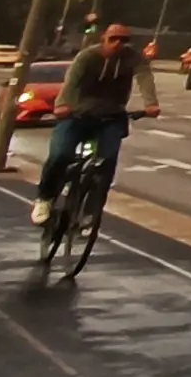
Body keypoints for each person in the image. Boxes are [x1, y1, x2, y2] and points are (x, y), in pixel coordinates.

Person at [31, 22, 160, 226]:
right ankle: (44, 199)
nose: (118, 44)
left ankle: (91, 212)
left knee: (106, 163)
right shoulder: (88, 56)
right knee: (60, 155)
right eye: (113, 39)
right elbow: (71, 81)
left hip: (111, 116)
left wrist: (151, 103)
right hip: (77, 115)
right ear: (103, 39)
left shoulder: (133, 57)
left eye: (124, 40)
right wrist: (63, 104)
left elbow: (145, 77)